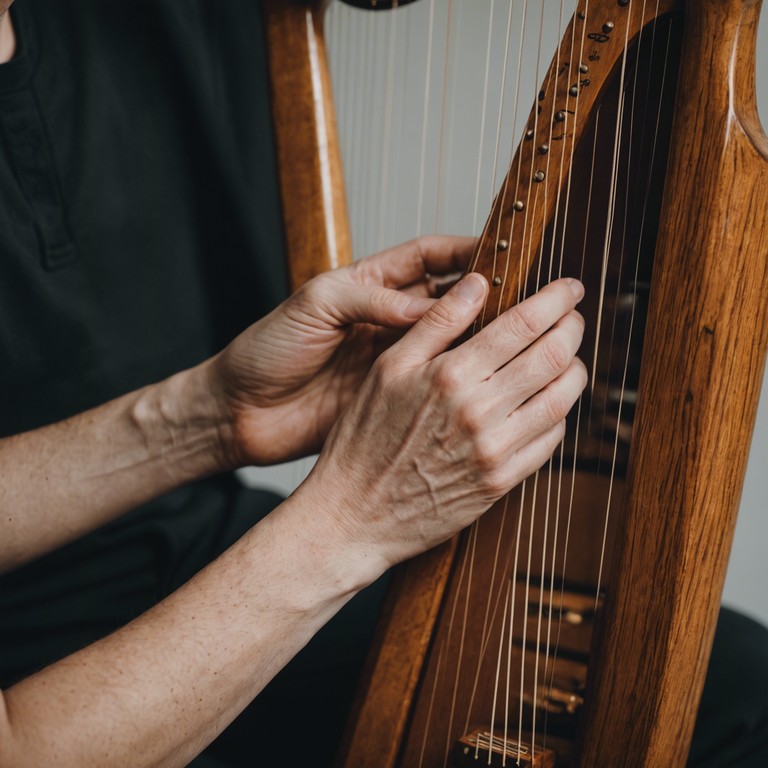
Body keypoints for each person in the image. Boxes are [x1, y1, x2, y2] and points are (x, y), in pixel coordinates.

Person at [0, 3, 765, 768]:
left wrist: (209, 418)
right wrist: (351, 522)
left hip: (183, 548)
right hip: (45, 685)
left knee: (741, 689)